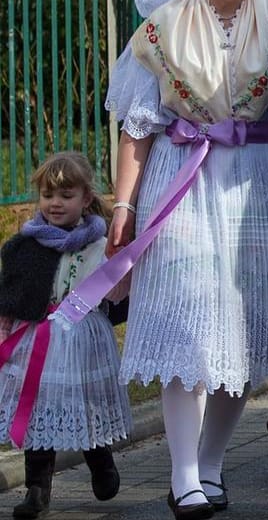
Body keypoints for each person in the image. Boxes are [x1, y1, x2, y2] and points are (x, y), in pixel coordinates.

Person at [93, 0, 268, 518]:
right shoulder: (164, 27)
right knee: (191, 328)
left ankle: (214, 467)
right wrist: (125, 206)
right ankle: (184, 474)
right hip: (184, 181)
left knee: (241, 340)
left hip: (259, 185)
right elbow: (137, 128)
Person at [0, 154, 129, 518]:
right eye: (48, 194)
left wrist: (124, 264)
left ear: (86, 198)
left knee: (81, 404)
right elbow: (9, 298)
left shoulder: (101, 244)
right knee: (38, 409)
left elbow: (117, 294)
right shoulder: (24, 246)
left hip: (83, 339)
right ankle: (36, 491)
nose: (55, 203)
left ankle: (101, 463)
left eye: (66, 195)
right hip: (36, 340)